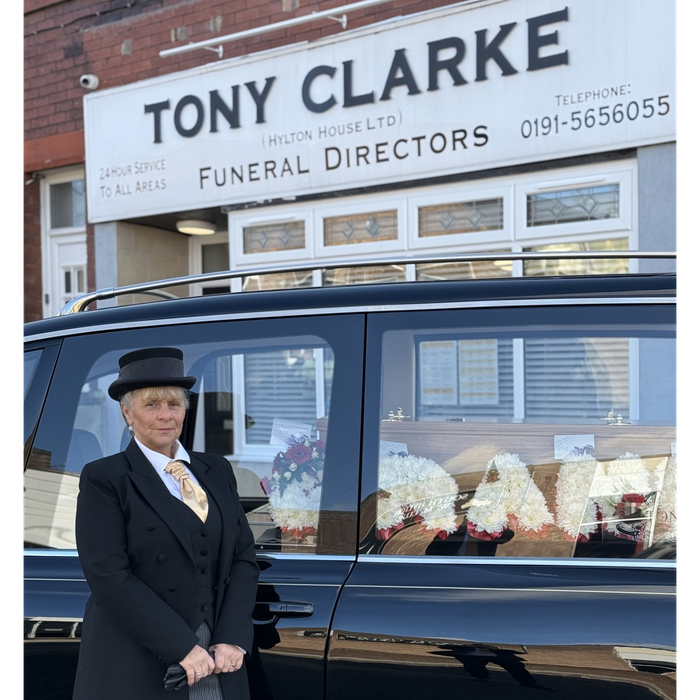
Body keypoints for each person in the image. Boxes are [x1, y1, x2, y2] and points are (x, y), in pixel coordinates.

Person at [72, 347, 260, 700]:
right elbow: (108, 576)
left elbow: (243, 557)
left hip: (217, 654)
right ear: (127, 412)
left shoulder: (216, 470)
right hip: (141, 654)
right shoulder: (105, 478)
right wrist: (182, 647)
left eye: (174, 404)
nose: (165, 415)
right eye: (151, 404)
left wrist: (232, 637)